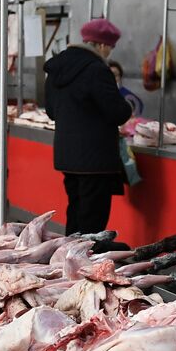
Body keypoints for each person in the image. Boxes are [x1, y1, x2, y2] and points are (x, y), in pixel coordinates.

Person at [44, 17, 132, 234]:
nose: (109, 53)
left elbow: (51, 112)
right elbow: (118, 112)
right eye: (110, 48)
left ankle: (69, 260)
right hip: (95, 160)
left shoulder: (56, 69)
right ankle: (87, 264)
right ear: (101, 45)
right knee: (93, 219)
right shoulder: (97, 70)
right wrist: (127, 105)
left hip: (67, 156)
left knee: (75, 212)